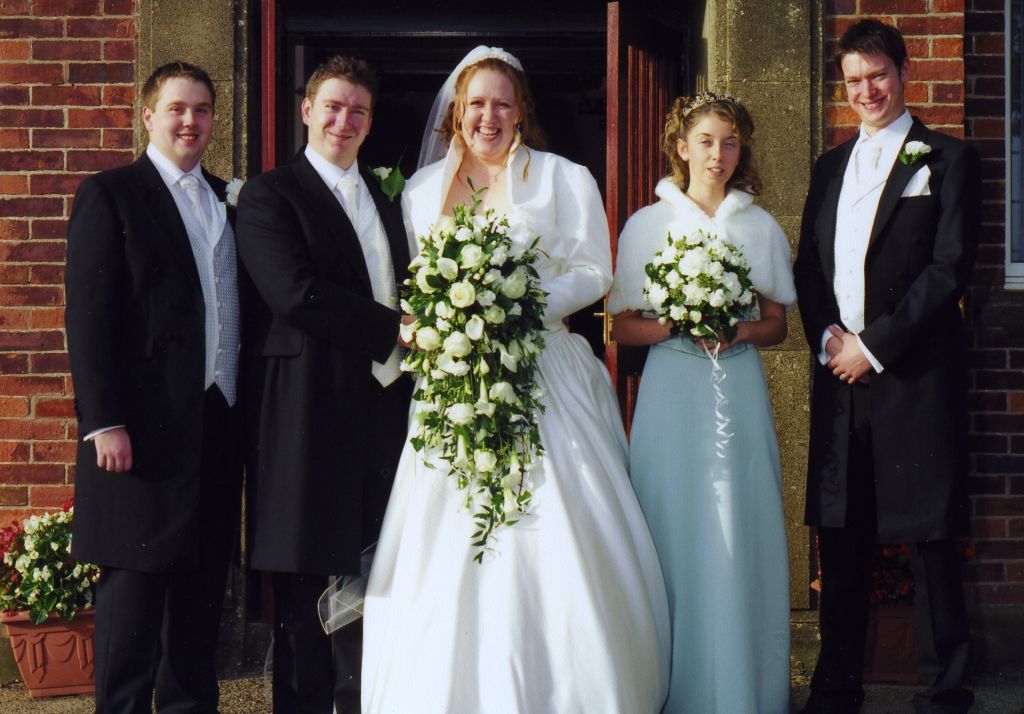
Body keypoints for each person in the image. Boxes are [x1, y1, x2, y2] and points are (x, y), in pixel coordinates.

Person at [361, 46, 670, 713]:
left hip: (544, 374)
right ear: (455, 111)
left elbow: (594, 272)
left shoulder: (564, 177)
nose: (488, 116)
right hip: (454, 383)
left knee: (549, 525)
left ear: (522, 110)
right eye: (476, 103)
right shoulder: (419, 193)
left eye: (502, 102)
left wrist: (515, 304)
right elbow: (416, 285)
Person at [794, 19, 980, 714]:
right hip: (838, 379)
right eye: (854, 80)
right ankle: (836, 686)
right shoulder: (829, 166)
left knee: (929, 541)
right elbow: (807, 268)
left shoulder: (949, 159)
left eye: (877, 75)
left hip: (912, 377)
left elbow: (949, 270)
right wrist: (831, 343)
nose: (866, 90)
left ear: (903, 73)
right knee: (840, 541)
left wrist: (872, 347)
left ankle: (944, 691)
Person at [235, 55, 411, 713]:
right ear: (306, 110)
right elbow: (296, 293)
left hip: (389, 408)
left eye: (358, 110)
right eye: (333, 106)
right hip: (308, 411)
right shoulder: (269, 196)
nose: (344, 120)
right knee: (310, 584)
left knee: (382, 568)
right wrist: (398, 330)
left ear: (370, 122)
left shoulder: (390, 195)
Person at [608, 92, 795, 713]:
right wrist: (677, 326)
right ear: (681, 147)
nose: (719, 155)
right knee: (672, 524)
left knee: (737, 526)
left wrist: (736, 330)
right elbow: (621, 325)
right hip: (672, 390)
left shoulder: (758, 225)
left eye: (731, 143)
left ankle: (743, 689)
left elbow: (778, 324)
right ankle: (671, 688)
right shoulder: (646, 225)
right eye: (708, 141)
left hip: (736, 387)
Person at [65, 61, 242, 713]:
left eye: (201, 109)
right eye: (176, 108)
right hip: (139, 435)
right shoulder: (111, 194)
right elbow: (88, 316)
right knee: (132, 617)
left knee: (199, 616)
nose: (190, 121)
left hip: (215, 427)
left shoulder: (229, 198)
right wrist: (102, 420)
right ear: (149, 116)